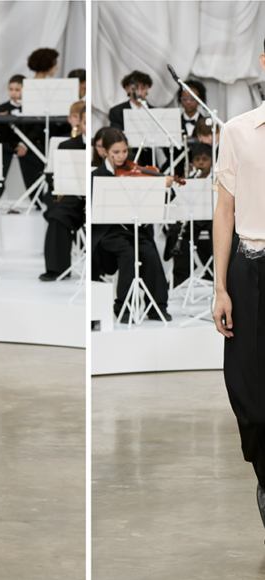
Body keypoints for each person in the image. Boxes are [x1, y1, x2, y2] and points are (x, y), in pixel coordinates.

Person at [212, 42, 265, 538]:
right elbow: (224, 211)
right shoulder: (237, 131)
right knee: (248, 395)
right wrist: (220, 287)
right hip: (250, 271)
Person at [91, 128, 173, 322]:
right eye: (116, 152)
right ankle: (123, 308)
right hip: (109, 231)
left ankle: (157, 307)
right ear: (104, 151)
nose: (122, 156)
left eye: (125, 151)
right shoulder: (97, 176)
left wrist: (163, 185)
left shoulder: (135, 172)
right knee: (128, 254)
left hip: (135, 228)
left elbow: (164, 199)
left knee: (149, 253)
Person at [40, 103, 86, 281]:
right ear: (80, 123)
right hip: (73, 195)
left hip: (96, 196)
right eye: (84, 123)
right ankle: (56, 268)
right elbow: (56, 176)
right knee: (58, 215)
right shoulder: (67, 145)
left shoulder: (102, 144)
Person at [163, 143, 213, 285]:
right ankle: (181, 276)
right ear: (192, 162)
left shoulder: (217, 179)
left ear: (212, 161)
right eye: (197, 159)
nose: (201, 163)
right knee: (178, 231)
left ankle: (215, 273)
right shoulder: (188, 180)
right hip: (194, 218)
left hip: (212, 218)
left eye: (205, 159)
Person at [0, 74, 45, 195]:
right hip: (6, 146)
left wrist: (24, 145)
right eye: (11, 89)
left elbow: (37, 129)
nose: (14, 93)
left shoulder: (34, 108)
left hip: (28, 146)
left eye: (17, 89)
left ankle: (36, 197)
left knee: (36, 158)